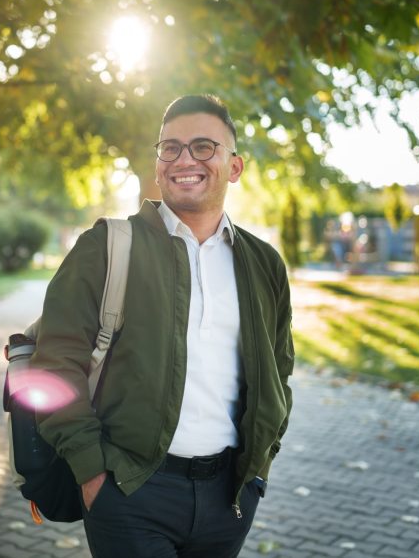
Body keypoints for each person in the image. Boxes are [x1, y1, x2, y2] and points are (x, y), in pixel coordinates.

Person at [32, 95, 294, 557]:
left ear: (234, 167)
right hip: (129, 491)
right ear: (157, 167)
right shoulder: (106, 246)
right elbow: (54, 364)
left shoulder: (263, 263)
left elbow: (280, 370)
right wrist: (93, 474)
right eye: (169, 148)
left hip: (228, 498)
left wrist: (258, 469)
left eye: (202, 147)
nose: (183, 159)